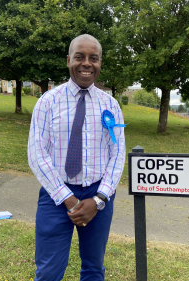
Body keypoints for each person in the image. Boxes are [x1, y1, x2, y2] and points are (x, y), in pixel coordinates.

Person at [27, 34, 126, 281]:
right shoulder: (47, 102)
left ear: (100, 62)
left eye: (94, 58)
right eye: (80, 57)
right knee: (48, 272)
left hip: (97, 198)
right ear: (68, 59)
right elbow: (37, 154)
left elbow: (117, 155)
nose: (87, 63)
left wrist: (100, 198)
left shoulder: (111, 105)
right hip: (56, 197)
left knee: (94, 270)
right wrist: (68, 199)